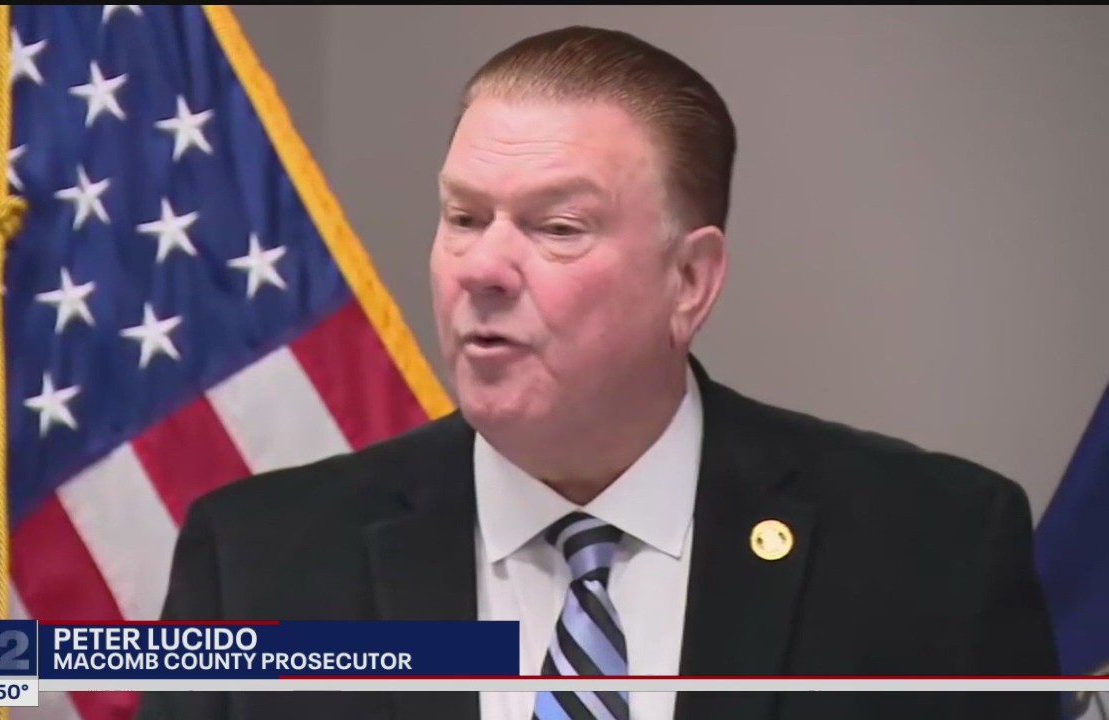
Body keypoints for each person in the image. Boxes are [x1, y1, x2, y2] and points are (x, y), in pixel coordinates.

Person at [134, 25, 1061, 720]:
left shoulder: (935, 550)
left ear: (689, 281)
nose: (482, 268)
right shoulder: (255, 563)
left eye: (558, 227)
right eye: (464, 218)